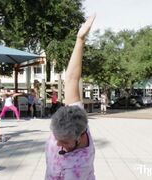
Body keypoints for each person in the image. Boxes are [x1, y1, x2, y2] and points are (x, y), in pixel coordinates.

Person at [45, 15, 96, 180]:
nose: (58, 144)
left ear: (80, 137)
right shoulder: (75, 119)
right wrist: (80, 39)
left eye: (65, 142)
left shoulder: (78, 168)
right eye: (56, 138)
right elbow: (72, 78)